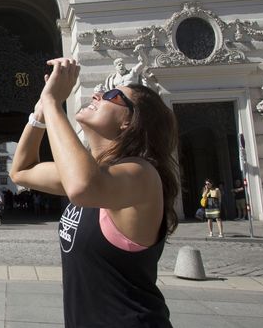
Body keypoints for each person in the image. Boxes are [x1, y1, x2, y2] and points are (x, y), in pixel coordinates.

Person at [10, 57, 179, 327]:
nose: (97, 94)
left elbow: (82, 188)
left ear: (129, 122)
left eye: (112, 95)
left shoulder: (142, 174)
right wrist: (40, 114)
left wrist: (54, 103)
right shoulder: (95, 174)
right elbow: (21, 171)